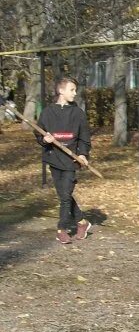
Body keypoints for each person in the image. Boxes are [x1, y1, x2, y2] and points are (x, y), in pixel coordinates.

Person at [35, 77, 92, 244]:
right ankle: (82, 222)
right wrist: (45, 140)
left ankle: (62, 229)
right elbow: (39, 134)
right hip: (53, 159)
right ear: (61, 91)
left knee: (65, 196)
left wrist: (82, 154)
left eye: (75, 90)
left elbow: (84, 138)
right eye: (72, 90)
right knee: (64, 195)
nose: (75, 93)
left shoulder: (78, 114)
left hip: (70, 160)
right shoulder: (47, 113)